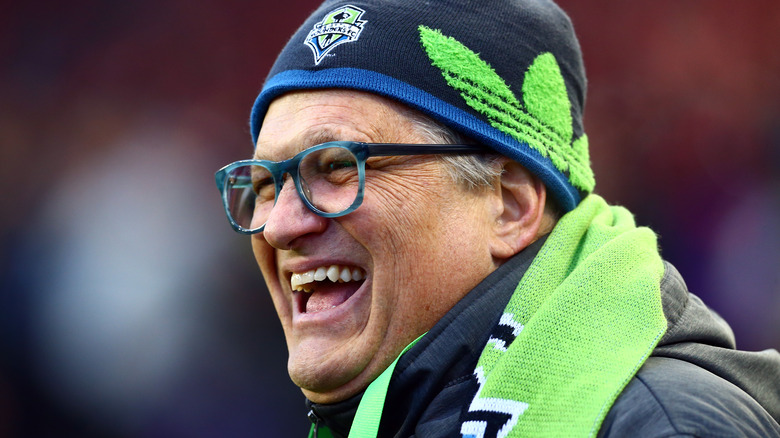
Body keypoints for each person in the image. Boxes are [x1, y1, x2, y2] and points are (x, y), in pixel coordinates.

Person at [215, 1, 780, 436]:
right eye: (265, 184)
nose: (280, 226)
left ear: (510, 205)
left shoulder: (667, 424)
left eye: (337, 166)